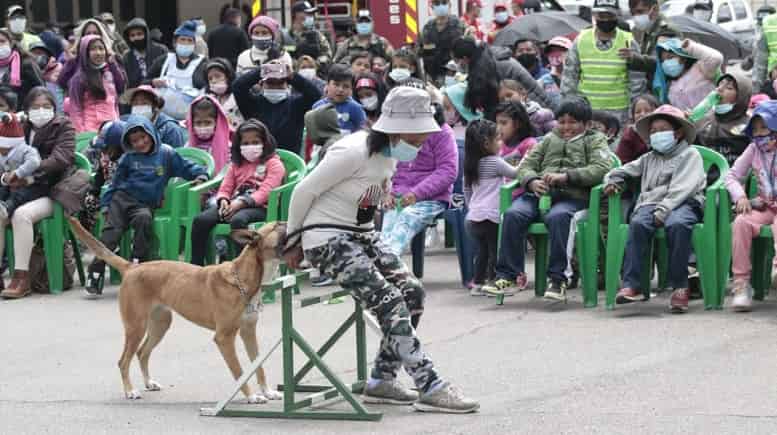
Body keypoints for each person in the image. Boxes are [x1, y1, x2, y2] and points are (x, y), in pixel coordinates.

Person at [283, 86, 479, 413]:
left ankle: (382, 380)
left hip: (361, 233)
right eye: (416, 138)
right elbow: (304, 192)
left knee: (412, 293)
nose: (420, 145)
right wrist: (293, 242)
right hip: (327, 238)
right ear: (395, 129)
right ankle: (430, 384)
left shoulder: (389, 156)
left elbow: (365, 205)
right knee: (390, 301)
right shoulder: (352, 151)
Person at [483, 97, 610, 300]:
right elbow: (525, 166)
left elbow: (602, 169)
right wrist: (532, 181)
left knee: (559, 217)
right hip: (539, 194)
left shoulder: (595, 140)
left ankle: (559, 280)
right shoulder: (549, 139)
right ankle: (509, 276)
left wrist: (568, 176)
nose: (566, 127)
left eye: (573, 122)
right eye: (562, 121)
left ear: (586, 124)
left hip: (574, 198)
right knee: (513, 214)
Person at [84, 115, 209, 298]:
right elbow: (116, 184)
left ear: (151, 133)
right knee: (110, 236)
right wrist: (106, 205)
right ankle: (96, 272)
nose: (141, 143)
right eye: (135, 141)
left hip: (143, 204)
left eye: (143, 137)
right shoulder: (128, 158)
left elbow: (187, 167)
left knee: (144, 220)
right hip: (122, 200)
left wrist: (201, 175)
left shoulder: (166, 154)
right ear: (129, 142)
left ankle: (138, 267)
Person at [604, 105, 706, 313]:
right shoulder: (648, 158)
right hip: (650, 204)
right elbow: (621, 170)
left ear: (677, 132)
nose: (657, 135)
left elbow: (682, 189)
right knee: (638, 223)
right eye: (653, 131)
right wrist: (612, 180)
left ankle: (680, 286)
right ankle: (632, 285)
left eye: (662, 129)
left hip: (683, 202)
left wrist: (663, 210)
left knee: (678, 224)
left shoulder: (690, 154)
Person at [0, 87, 74, 299]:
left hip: (53, 191)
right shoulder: (18, 126)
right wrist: (9, 176)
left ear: (54, 108)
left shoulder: (63, 126)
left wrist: (27, 173)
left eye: (46, 106)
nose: (41, 111)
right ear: (26, 110)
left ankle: (21, 278)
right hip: (20, 189)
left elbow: (62, 158)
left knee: (21, 215)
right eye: (35, 107)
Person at [190, 119, 285, 266]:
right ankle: (196, 266)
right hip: (233, 204)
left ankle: (243, 265)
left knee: (238, 220)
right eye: (245, 143)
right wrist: (223, 201)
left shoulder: (274, 164)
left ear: (265, 142)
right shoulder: (236, 164)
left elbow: (266, 191)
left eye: (255, 142)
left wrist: (240, 203)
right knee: (200, 221)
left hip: (261, 208)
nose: (250, 146)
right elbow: (226, 187)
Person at [380, 88, 457, 257]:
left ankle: (388, 261)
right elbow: (390, 167)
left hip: (431, 198)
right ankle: (384, 261)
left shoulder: (443, 133)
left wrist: (416, 193)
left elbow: (448, 171)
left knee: (407, 217)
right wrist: (389, 193)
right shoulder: (399, 130)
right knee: (388, 223)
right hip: (399, 196)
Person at [725, 101, 777, 312]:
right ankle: (741, 285)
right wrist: (741, 197)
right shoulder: (753, 149)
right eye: (755, 129)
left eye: (764, 127)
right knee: (741, 223)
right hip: (764, 205)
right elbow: (731, 176)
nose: (759, 134)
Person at [561, 0, 642, 124]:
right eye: (602, 16)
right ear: (595, 16)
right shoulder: (581, 40)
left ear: (617, 15)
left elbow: (637, 82)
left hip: (620, 114)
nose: (606, 19)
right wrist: (571, 109)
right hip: (587, 113)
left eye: (610, 15)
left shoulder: (628, 42)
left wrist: (633, 113)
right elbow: (569, 78)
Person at [464, 119, 519, 296]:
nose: (501, 143)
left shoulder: (471, 165)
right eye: (498, 139)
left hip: (475, 215)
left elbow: (466, 190)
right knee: (496, 251)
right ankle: (496, 283)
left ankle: (478, 284)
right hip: (492, 215)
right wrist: (526, 159)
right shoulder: (495, 162)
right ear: (487, 143)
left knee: (482, 252)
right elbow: (515, 173)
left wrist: (471, 207)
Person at [451, 38, 555, 122]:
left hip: (534, 110)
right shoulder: (487, 59)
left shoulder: (489, 67)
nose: (458, 65)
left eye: (457, 61)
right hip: (531, 106)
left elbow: (493, 103)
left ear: (465, 58)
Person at [233, 61, 321, 155]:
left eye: (280, 83)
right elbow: (238, 86)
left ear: (287, 85)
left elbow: (315, 94)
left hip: (290, 162)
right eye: (270, 83)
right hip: (259, 160)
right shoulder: (252, 105)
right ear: (262, 85)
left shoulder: (297, 105)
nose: (275, 87)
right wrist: (262, 70)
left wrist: (292, 76)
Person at [60, 35, 126, 133]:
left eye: (101, 48)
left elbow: (121, 88)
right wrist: (82, 134)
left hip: (113, 126)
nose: (98, 53)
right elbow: (75, 109)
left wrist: (113, 64)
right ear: (85, 53)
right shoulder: (79, 78)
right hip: (91, 130)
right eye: (93, 49)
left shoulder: (109, 73)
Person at [695, 71, 753, 169]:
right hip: (704, 179)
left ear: (740, 97)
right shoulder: (702, 119)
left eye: (729, 88)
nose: (720, 89)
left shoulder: (750, 125)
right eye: (720, 85)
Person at [79, 120, 126, 232]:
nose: (104, 151)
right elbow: (100, 175)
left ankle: (116, 243)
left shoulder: (127, 160)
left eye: (107, 148)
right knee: (87, 200)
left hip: (122, 196)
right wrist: (94, 191)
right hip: (105, 192)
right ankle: (89, 234)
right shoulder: (106, 157)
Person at [652, 38, 723, 112]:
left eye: (670, 57)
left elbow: (716, 58)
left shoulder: (701, 68)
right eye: (663, 61)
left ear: (683, 58)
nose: (666, 63)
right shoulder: (669, 89)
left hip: (715, 118)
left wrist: (690, 47)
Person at [619, 0, 681, 82]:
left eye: (640, 11)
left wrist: (633, 58)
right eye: (633, 13)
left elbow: (662, 63)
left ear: (654, 9)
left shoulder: (666, 31)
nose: (636, 16)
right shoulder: (648, 30)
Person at [0, 114, 44, 219]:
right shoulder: (2, 155)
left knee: (20, 195)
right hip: (10, 185)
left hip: (31, 183)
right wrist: (4, 179)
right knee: (2, 190)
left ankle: (7, 207)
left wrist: (17, 173)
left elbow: (34, 162)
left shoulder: (26, 150)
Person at [148, 21, 208, 93]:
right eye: (182, 39)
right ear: (174, 43)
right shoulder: (164, 60)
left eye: (190, 40)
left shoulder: (202, 63)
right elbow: (144, 82)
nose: (186, 43)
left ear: (194, 44)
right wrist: (153, 82)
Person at [122, 85, 188, 148]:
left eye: (144, 103)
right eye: (135, 104)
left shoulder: (170, 129)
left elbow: (177, 156)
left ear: (155, 106)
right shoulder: (128, 125)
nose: (139, 107)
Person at [418, 0, 466, 85]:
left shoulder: (460, 26)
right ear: (432, 6)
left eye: (444, 3)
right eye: (437, 3)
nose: (440, 6)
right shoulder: (427, 28)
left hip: (454, 77)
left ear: (449, 5)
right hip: (432, 78)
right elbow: (420, 52)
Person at [313, 64, 366, 134]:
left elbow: (362, 131)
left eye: (346, 86)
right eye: (336, 84)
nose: (340, 89)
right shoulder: (317, 106)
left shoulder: (356, 108)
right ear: (327, 84)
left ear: (351, 89)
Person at [186, 95, 232, 174]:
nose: (203, 127)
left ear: (217, 123)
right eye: (198, 123)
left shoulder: (227, 147)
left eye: (208, 123)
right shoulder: (189, 146)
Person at [0, 29, 43, 111]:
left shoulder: (26, 64)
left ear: (11, 43)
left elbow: (40, 90)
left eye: (2, 41)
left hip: (21, 114)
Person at [122, 18, 168, 90]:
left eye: (139, 34)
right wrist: (151, 82)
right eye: (132, 35)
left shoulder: (161, 50)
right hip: (137, 96)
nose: (136, 38)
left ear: (146, 34)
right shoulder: (127, 58)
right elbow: (129, 83)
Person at [615, 93, 658, 164]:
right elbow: (622, 162)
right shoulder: (629, 135)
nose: (642, 114)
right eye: (638, 112)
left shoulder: (664, 132)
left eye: (647, 111)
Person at [205, 58, 244, 131]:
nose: (213, 80)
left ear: (228, 77)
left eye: (217, 76)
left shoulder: (239, 96)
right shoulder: (210, 100)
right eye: (210, 78)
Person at [495, 100, 536, 168]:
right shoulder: (499, 145)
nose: (498, 128)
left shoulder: (529, 144)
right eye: (497, 123)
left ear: (518, 124)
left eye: (503, 123)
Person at [29, 41, 63, 112]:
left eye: (40, 53)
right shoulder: (26, 69)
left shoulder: (58, 68)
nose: (37, 56)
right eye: (34, 53)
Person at [538, 36, 571, 108]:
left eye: (561, 50)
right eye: (551, 51)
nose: (555, 54)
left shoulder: (581, 77)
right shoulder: (542, 82)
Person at [753, 11, 777, 95]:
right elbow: (760, 61)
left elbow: (760, 63)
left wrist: (756, 92)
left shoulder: (769, 22)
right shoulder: (769, 22)